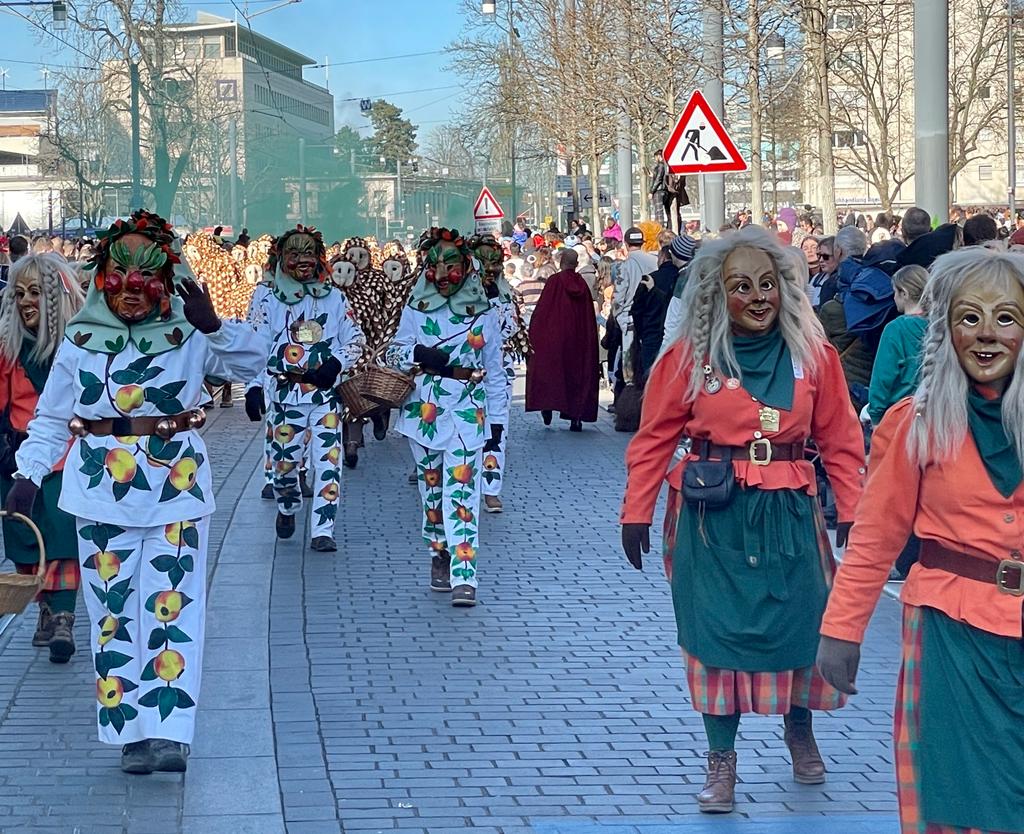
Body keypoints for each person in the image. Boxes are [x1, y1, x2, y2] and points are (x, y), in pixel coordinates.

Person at [5, 209, 269, 774]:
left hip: (176, 490)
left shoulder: (190, 332)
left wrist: (214, 326)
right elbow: (51, 419)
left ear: (167, 278)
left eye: (146, 275)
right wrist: (28, 474)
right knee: (113, 612)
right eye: (119, 275)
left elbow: (256, 362)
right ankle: (130, 733)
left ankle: (170, 731)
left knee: (174, 606)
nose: (131, 288)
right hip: (99, 495)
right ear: (103, 278)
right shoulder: (81, 340)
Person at [621, 225, 864, 814]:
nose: (758, 297)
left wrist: (854, 509)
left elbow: (841, 437)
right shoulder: (688, 358)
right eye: (741, 286)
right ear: (716, 293)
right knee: (715, 633)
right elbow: (654, 439)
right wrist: (636, 511)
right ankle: (721, 760)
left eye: (767, 284)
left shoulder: (814, 356)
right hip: (713, 515)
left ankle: (799, 726)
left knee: (802, 623)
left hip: (790, 512)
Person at [816, 247, 1024, 834]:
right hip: (950, 631)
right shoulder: (915, 421)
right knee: (957, 792)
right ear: (946, 328)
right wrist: (841, 630)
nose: (987, 334)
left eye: (1006, 317)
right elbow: (875, 537)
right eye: (970, 317)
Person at [386, 228, 507, 607]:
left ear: (466, 268)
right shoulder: (415, 308)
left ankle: (464, 574)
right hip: (424, 413)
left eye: (450, 266)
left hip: (468, 414)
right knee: (432, 492)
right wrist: (417, 353)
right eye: (435, 266)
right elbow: (393, 353)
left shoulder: (486, 314)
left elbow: (496, 372)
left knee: (463, 494)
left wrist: (497, 421)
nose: (442, 275)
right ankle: (438, 550)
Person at [248, 226, 365, 551]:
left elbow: (356, 338)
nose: (303, 261)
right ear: (282, 258)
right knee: (285, 465)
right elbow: (255, 346)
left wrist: (335, 364)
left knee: (329, 463)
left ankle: (322, 530)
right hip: (286, 397)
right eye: (295, 254)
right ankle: (287, 507)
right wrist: (254, 386)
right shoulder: (268, 300)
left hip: (325, 398)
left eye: (309, 254)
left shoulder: (335, 298)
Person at [0, 253, 84, 663]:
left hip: (67, 457)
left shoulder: (80, 345)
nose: (25, 302)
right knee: (27, 538)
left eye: (35, 292)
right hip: (19, 458)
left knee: (65, 537)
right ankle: (46, 609)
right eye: (18, 294)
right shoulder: (8, 348)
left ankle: (64, 615)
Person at [525, 248, 599, 432]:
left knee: (551, 372)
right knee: (576, 376)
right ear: (576, 264)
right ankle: (576, 418)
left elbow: (542, 311)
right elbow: (588, 316)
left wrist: (535, 334)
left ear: (560, 262)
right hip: (577, 339)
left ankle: (547, 405)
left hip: (555, 337)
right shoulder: (582, 285)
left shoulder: (554, 282)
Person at [470, 234, 516, 513]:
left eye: (494, 262)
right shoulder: (459, 299)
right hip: (465, 373)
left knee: (497, 430)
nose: (489, 269)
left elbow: (511, 327)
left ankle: (491, 489)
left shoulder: (506, 296)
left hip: (499, 372)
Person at [632, 239, 693, 383]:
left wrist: (662, 352)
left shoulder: (683, 280)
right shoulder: (693, 275)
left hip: (664, 340)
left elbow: (673, 318)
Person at [613, 227, 659, 385]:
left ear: (626, 244)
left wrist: (617, 316)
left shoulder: (624, 266)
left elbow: (619, 297)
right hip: (652, 316)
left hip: (629, 318)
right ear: (642, 243)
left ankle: (632, 392)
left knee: (630, 365)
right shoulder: (655, 261)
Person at [649, 150, 670, 226]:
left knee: (658, 212)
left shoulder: (661, 165)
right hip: (665, 190)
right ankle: (665, 227)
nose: (655, 159)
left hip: (659, 191)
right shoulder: (667, 165)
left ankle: (660, 228)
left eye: (655, 157)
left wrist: (651, 191)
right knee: (664, 212)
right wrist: (653, 175)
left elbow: (658, 179)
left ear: (658, 156)